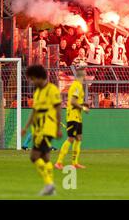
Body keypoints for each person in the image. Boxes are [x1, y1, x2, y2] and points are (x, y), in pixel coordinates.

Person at [21, 65, 62, 196]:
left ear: (39, 77)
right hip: (38, 129)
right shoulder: (37, 92)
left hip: (47, 128)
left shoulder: (52, 89)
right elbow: (34, 111)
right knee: (45, 157)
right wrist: (26, 127)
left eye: (33, 79)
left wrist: (58, 128)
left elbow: (58, 108)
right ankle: (50, 187)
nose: (32, 82)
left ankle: (49, 184)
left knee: (34, 156)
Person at [55, 67, 89, 170]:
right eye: (85, 74)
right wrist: (83, 107)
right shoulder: (77, 86)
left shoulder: (77, 86)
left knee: (79, 138)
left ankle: (75, 162)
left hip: (77, 116)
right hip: (73, 116)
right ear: (82, 76)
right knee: (70, 138)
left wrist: (83, 103)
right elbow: (73, 101)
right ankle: (59, 162)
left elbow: (75, 101)